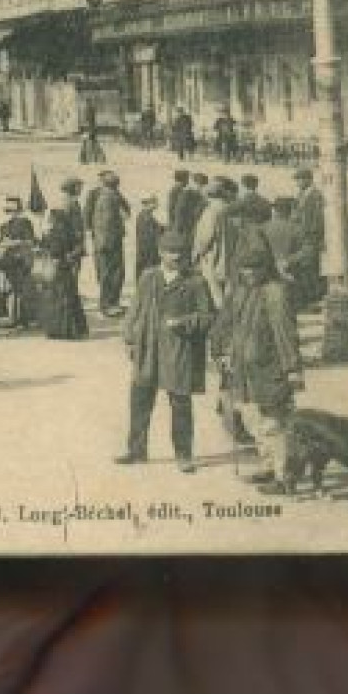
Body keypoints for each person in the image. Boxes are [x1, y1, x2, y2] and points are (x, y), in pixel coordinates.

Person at [115, 231, 217, 473]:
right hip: (148, 347)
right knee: (140, 400)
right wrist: (130, 338)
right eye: (171, 252)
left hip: (178, 350)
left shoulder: (196, 282)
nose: (177, 257)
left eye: (181, 252)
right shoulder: (148, 277)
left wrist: (185, 322)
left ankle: (184, 455)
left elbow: (208, 317)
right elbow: (135, 309)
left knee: (180, 403)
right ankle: (136, 450)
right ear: (161, 253)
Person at [210, 243, 305, 494]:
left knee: (273, 423)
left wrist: (293, 368)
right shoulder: (238, 292)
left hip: (270, 369)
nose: (249, 273)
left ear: (266, 268)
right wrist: (220, 352)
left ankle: (285, 478)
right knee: (253, 420)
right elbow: (223, 324)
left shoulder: (276, 292)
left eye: (255, 269)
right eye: (244, 269)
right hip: (242, 370)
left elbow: (285, 333)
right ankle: (269, 465)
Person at [41, 178, 89, 340]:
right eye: (79, 187)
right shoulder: (72, 204)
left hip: (62, 256)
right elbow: (76, 231)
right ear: (73, 188)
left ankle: (59, 327)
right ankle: (70, 328)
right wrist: (76, 251)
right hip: (68, 255)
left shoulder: (59, 204)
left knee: (61, 293)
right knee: (68, 292)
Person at [90, 171, 131, 317]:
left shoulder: (106, 196)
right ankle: (108, 305)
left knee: (112, 274)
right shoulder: (109, 198)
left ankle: (111, 303)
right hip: (109, 243)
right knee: (111, 274)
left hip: (107, 241)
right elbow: (106, 223)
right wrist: (107, 243)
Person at [193, 177, 236, 309]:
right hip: (231, 257)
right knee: (229, 293)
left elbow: (205, 238)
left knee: (215, 294)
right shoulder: (231, 208)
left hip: (213, 258)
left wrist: (197, 253)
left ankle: (221, 323)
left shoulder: (211, 211)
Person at [0, 197, 37, 330]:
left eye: (13, 210)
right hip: (9, 260)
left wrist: (13, 242)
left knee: (19, 289)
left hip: (20, 259)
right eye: (9, 210)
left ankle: (20, 318)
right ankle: (15, 318)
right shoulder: (4, 226)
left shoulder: (25, 223)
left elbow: (30, 241)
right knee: (13, 290)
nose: (11, 213)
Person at [292, 168, 327, 310]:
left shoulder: (316, 195)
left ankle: (313, 301)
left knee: (310, 269)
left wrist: (312, 235)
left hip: (310, 237)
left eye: (299, 179)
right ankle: (308, 300)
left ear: (308, 179)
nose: (297, 183)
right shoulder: (302, 194)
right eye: (297, 180)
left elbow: (318, 220)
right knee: (305, 269)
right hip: (302, 237)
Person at [172, 173, 209, 244]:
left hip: (193, 225)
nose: (201, 188)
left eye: (203, 186)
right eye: (200, 185)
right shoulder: (187, 193)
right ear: (195, 183)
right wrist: (179, 226)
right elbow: (179, 210)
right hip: (186, 225)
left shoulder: (199, 195)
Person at [134, 195, 163, 279]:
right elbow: (152, 234)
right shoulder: (146, 217)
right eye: (155, 202)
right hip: (147, 252)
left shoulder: (145, 215)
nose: (157, 205)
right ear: (149, 204)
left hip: (145, 251)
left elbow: (157, 227)